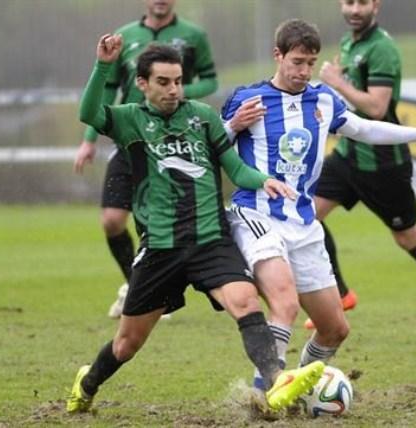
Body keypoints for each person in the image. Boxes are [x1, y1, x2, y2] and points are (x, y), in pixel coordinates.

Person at [67, 35, 325, 414]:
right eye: (163, 82)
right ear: (142, 84)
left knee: (245, 301)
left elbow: (233, 167)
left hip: (210, 240)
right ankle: (87, 383)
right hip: (161, 249)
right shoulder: (129, 120)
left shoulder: (202, 117)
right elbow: (89, 113)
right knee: (127, 344)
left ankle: (275, 379)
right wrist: (103, 65)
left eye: (178, 81)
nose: (174, 90)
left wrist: (261, 180)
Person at [221, 18, 416, 388]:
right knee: (285, 305)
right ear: (278, 56)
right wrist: (231, 126)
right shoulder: (248, 100)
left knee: (335, 329)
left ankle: (303, 386)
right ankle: (265, 392)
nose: (304, 71)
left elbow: (366, 128)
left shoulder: (322, 99)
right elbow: (209, 145)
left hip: (304, 225)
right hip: (257, 215)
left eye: (310, 63)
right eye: (296, 62)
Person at [313, 0, 416, 338]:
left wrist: (334, 81)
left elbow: (376, 107)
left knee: (407, 238)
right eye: (348, 2)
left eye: (362, 3)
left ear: (376, 6)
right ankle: (340, 294)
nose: (354, 9)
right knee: (305, 217)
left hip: (383, 163)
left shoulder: (382, 48)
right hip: (347, 155)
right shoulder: (349, 42)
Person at [74, 0, 219, 319]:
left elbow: (211, 80)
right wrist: (89, 140)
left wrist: (175, 89)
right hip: (132, 140)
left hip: (174, 144)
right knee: (112, 220)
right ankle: (137, 287)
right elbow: (108, 92)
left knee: (162, 221)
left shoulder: (193, 35)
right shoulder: (124, 36)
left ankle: (156, 290)